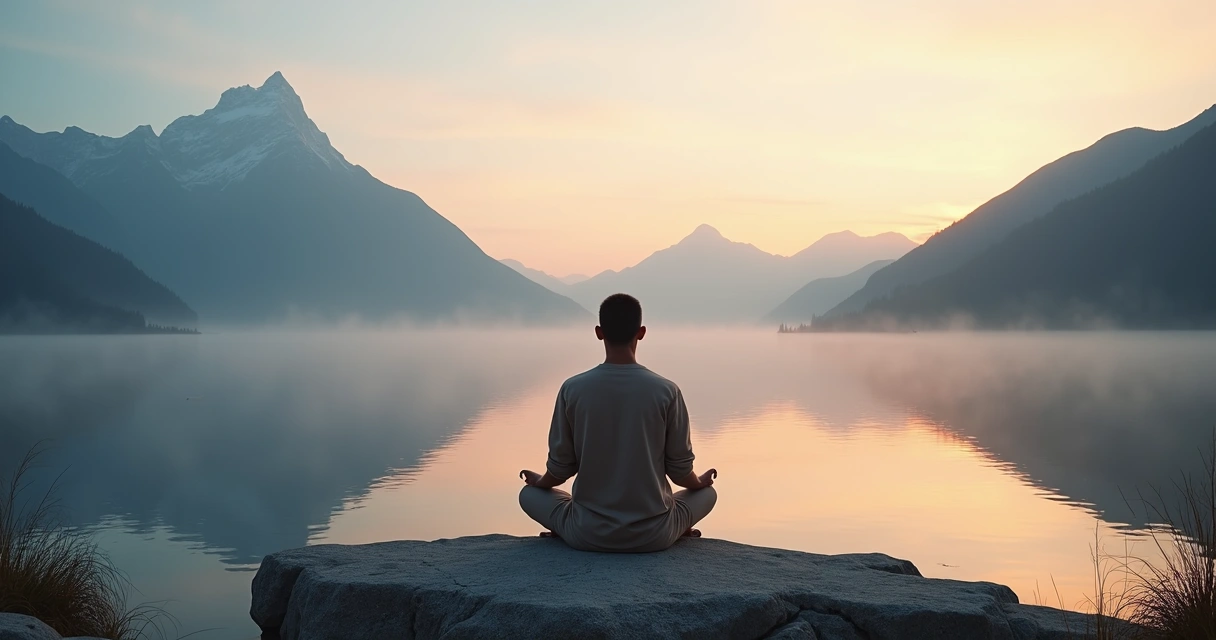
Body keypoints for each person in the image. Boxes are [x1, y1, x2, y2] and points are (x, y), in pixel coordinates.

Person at [518, 293, 717, 552]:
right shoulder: (666, 390)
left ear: (599, 332)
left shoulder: (573, 389)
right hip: (655, 535)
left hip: (586, 533)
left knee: (528, 495)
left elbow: (561, 468)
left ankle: (564, 527)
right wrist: (698, 483)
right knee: (708, 494)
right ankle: (678, 528)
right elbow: (679, 471)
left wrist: (541, 483)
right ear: (642, 332)